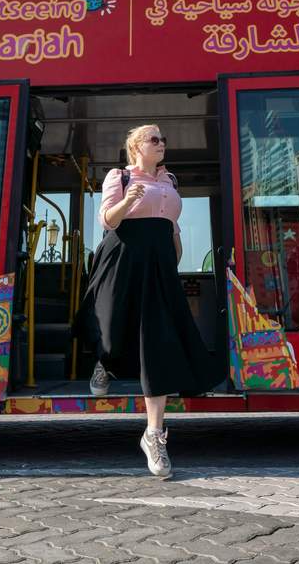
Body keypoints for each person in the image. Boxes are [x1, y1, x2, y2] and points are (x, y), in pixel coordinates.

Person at [77, 124, 220, 479]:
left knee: (157, 343)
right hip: (122, 257)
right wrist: (128, 199)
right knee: (110, 329)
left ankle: (154, 434)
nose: (162, 143)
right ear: (136, 146)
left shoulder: (170, 180)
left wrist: (175, 257)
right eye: (154, 139)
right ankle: (104, 362)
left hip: (159, 263)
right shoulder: (120, 176)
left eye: (163, 139)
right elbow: (108, 219)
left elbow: (172, 225)